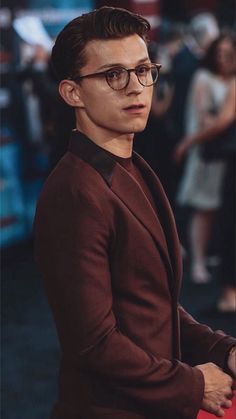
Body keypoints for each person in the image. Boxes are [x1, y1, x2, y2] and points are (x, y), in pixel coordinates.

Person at [34, 7, 236, 419]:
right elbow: (93, 343)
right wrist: (194, 384)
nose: (136, 87)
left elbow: (150, 303)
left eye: (143, 69)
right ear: (73, 93)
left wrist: (222, 349)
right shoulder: (75, 192)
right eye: (113, 75)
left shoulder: (132, 165)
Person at [174, 33, 236, 284]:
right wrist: (192, 140)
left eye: (228, 53)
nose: (223, 58)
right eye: (219, 52)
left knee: (221, 212)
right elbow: (205, 119)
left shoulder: (231, 81)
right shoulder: (203, 77)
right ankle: (198, 261)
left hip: (225, 155)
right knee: (204, 208)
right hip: (207, 153)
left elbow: (219, 121)